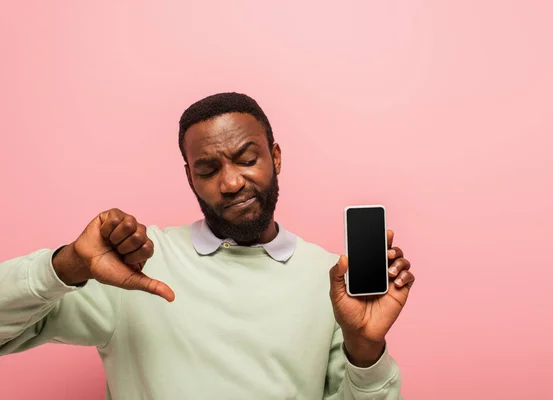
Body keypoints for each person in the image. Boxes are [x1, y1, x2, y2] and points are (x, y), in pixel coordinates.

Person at [0, 92, 415, 399]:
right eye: (209, 169)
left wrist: (365, 351)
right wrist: (67, 265)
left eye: (247, 159)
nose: (231, 182)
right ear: (189, 178)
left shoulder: (331, 281)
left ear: (276, 157)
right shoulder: (134, 266)